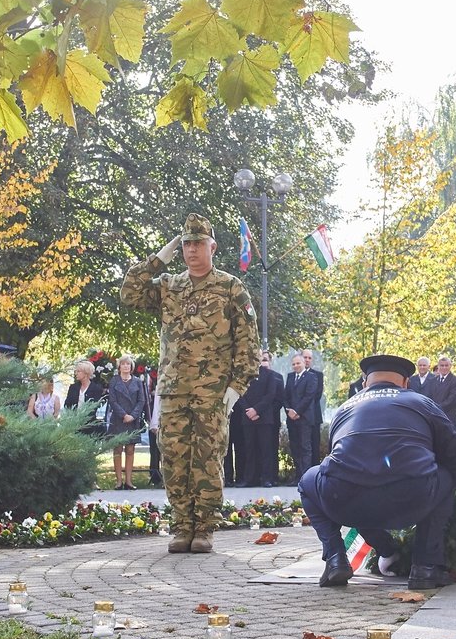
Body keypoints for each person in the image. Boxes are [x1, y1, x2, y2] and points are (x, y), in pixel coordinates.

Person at [298, 354, 456, 590]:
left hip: (344, 501)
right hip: (410, 499)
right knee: (446, 473)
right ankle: (425, 567)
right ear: (405, 383)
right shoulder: (423, 403)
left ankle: (336, 558)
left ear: (365, 383)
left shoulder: (344, 409)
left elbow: (341, 460)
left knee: (309, 480)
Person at [120, 213, 259, 554]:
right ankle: (182, 525)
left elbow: (248, 341)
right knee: (174, 458)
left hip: (212, 392)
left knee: (208, 458)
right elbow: (129, 293)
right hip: (172, 389)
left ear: (212, 247)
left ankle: (205, 528)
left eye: (198, 244)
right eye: (186, 244)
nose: (192, 250)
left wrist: (236, 387)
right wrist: (159, 258)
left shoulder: (229, 287)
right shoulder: (170, 285)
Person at [236, 350, 283, 487]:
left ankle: (266, 479)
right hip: (247, 417)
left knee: (265, 449)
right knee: (249, 449)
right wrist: (248, 410)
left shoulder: (269, 375)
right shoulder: (245, 374)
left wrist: (256, 410)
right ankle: (250, 479)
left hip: (264, 417)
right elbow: (241, 393)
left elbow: (270, 395)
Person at [107, 356, 147, 490]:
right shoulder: (114, 381)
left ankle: (129, 481)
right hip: (118, 420)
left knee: (130, 449)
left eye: (128, 364)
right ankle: (118, 481)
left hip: (132, 421)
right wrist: (123, 415)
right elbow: (112, 401)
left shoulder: (137, 382)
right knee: (117, 449)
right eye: (123, 364)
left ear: (131, 367)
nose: (126, 366)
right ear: (119, 366)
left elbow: (141, 401)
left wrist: (133, 416)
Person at [284, 353, 319, 483]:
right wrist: (289, 410)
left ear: (304, 363)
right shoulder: (290, 377)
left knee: (305, 448)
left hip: (304, 417)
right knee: (295, 447)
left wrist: (297, 411)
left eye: (298, 363)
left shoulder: (312, 377)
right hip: (291, 418)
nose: (296, 366)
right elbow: (285, 396)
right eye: (293, 364)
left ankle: (306, 478)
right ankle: (298, 476)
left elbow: (309, 396)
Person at [64, 359, 106, 434]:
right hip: (73, 424)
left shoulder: (96, 389)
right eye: (76, 371)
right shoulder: (73, 388)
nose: (76, 373)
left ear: (86, 373)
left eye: (78, 371)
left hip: (89, 426)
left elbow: (93, 408)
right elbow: (67, 405)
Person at [302, 349, 326, 466]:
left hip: (313, 416)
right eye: (305, 357)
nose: (307, 360)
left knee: (314, 445)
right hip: (297, 417)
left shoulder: (318, 375)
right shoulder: (293, 376)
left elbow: (316, 395)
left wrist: (300, 408)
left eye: (309, 358)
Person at [425, 355, 456, 428]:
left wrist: (435, 409)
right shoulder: (432, 381)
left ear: (450, 366)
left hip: (448, 417)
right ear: (438, 366)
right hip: (433, 417)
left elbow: (451, 400)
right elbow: (428, 397)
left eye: (446, 365)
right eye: (442, 365)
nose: (444, 368)